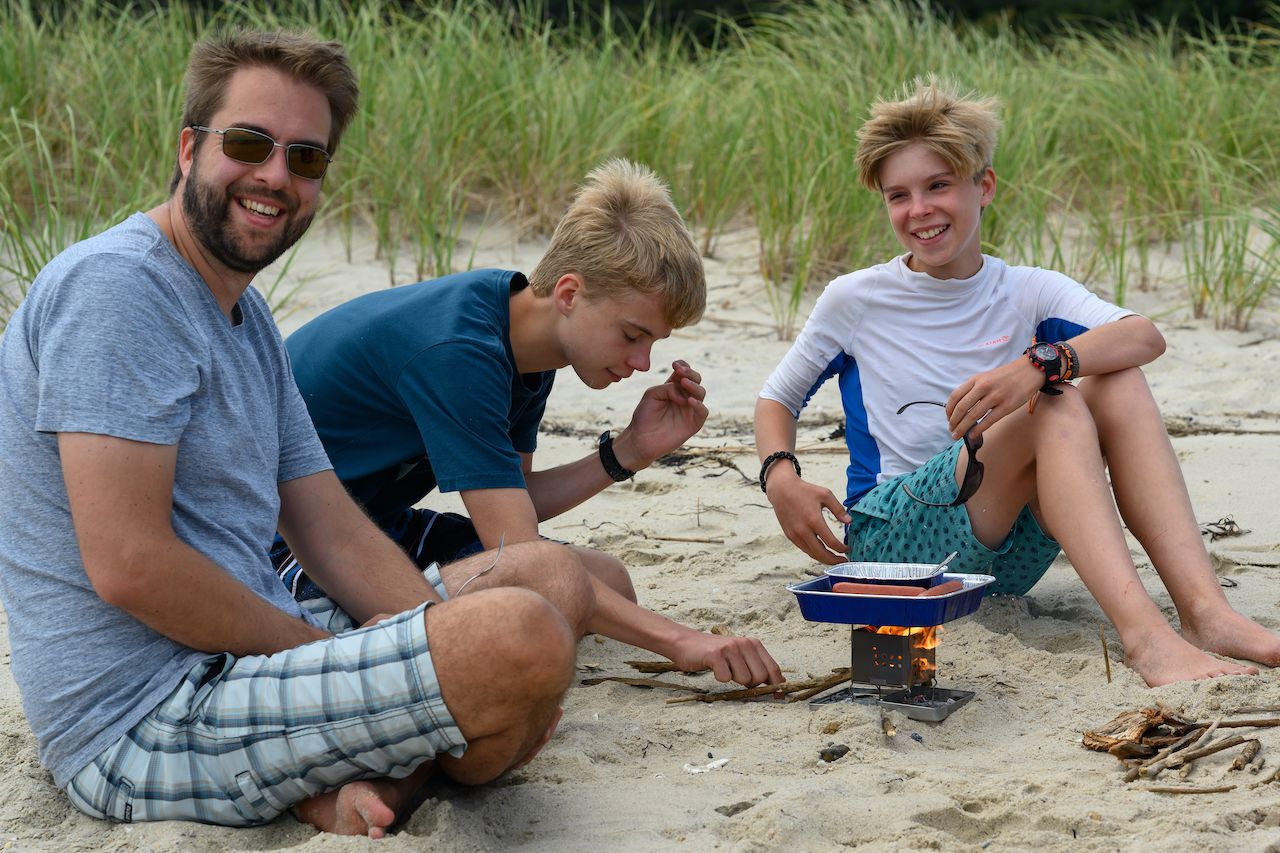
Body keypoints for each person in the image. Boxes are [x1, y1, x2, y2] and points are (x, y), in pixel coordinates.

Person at [0, 29, 688, 840]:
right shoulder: (118, 291)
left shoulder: (244, 315)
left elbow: (326, 523)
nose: (274, 176)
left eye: (306, 158)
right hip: (142, 712)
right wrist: (347, 659)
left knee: (547, 579)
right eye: (249, 143)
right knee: (523, 634)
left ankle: (368, 771)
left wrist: (405, 644)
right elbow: (130, 565)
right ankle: (404, 759)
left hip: (247, 654)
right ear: (189, 149)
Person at [753, 78, 1280, 688]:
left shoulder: (1026, 289)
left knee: (1115, 381)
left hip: (1007, 559)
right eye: (899, 195)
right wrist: (780, 476)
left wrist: (1034, 364)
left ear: (984, 187)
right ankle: (1146, 641)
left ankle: (1206, 614)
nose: (919, 209)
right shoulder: (857, 299)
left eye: (938, 185)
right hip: (896, 544)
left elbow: (1143, 336)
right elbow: (778, 397)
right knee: (1053, 408)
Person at [278, 158, 782, 688]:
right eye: (632, 335)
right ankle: (356, 641)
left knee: (606, 580)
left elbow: (514, 501)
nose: (641, 364)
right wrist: (684, 641)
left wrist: (630, 451)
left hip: (371, 527)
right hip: (287, 549)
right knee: (554, 583)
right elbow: (522, 551)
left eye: (653, 343)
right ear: (568, 293)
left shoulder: (522, 339)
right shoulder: (461, 351)